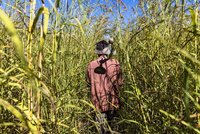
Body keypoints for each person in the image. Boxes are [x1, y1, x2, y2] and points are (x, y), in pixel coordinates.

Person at [86, 39, 123, 133]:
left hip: (97, 104)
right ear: (107, 50)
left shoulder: (91, 65)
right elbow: (120, 83)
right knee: (113, 130)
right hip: (113, 102)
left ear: (97, 51)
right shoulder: (115, 63)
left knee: (101, 131)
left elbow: (88, 83)